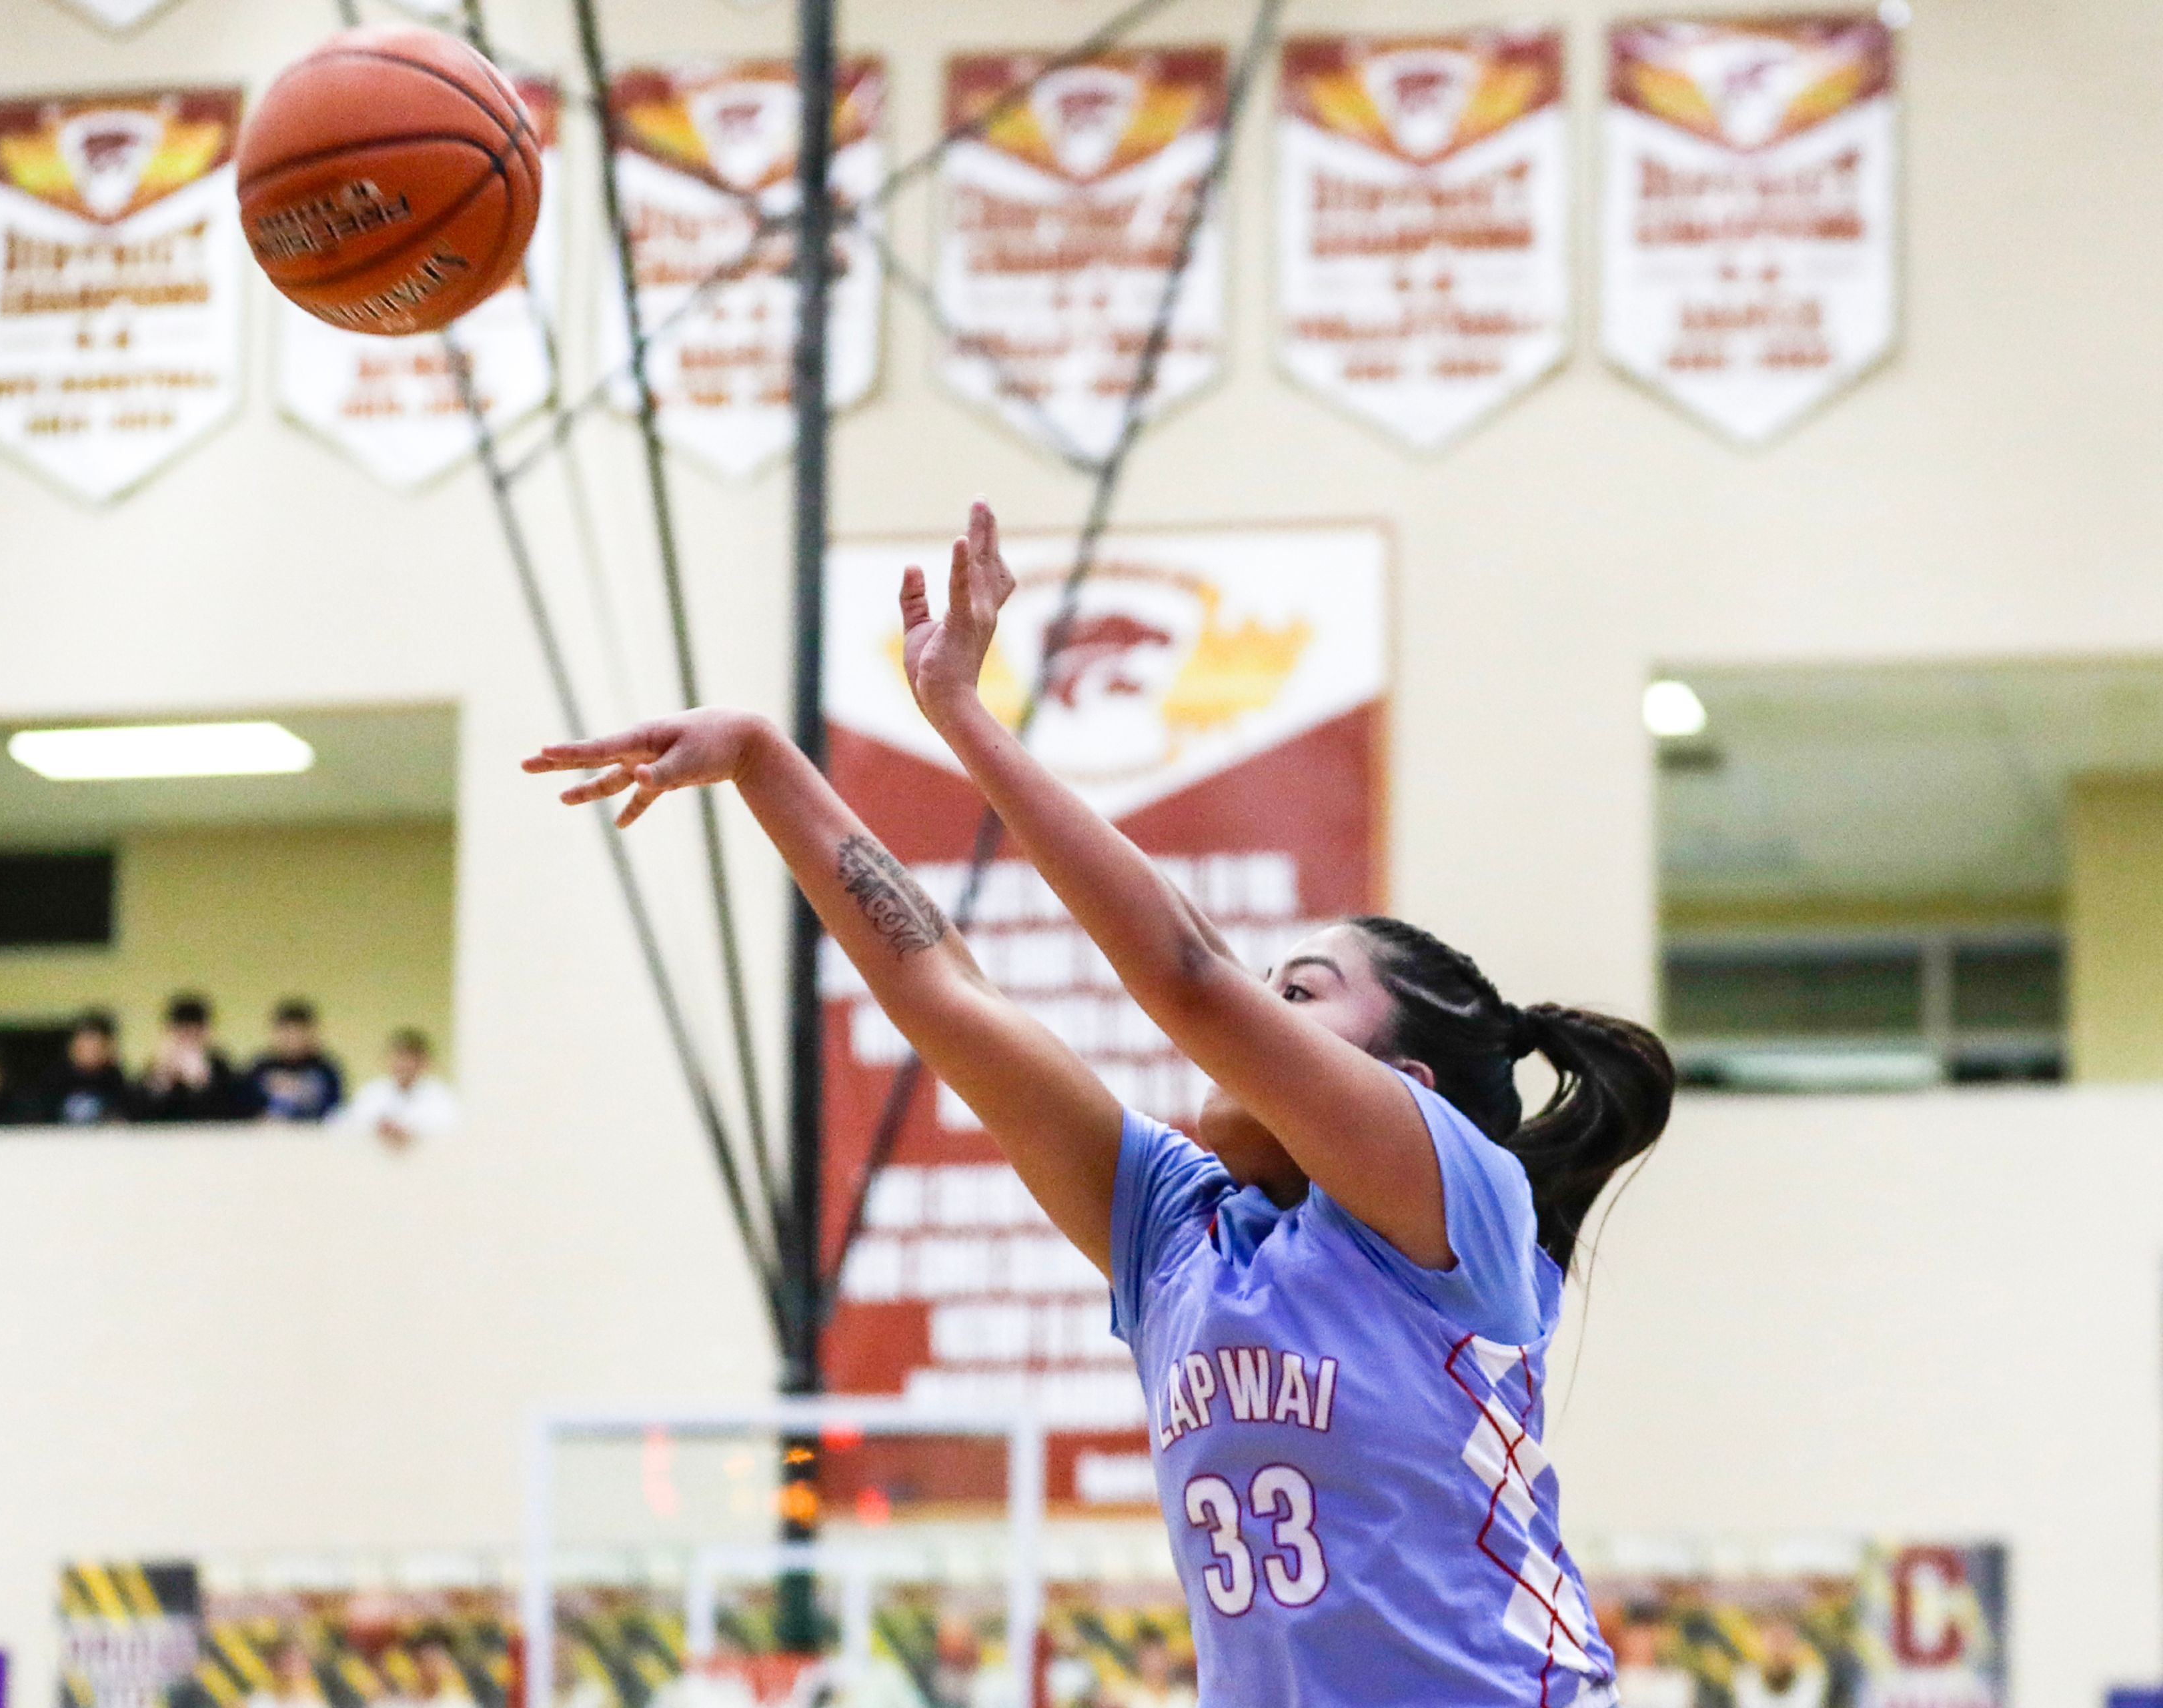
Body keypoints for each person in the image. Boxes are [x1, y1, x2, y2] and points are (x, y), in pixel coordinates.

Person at [526, 502, 1674, 1708]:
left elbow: (1186, 975)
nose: (1262, 1017)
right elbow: (944, 991)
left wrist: (963, 720)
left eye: (1302, 995)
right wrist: (768, 762)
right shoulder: (1178, 1231)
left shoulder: (1457, 1205)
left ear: (1406, 1091)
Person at [133, 993, 261, 1123]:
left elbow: (237, 1115)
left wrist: (201, 1085)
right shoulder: (154, 1069)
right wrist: (161, 1081)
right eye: (182, 1034)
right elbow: (137, 1116)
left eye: (195, 1035)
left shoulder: (220, 1067)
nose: (189, 1042)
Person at [334, 1028, 460, 1147]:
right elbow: (349, 1124)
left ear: (425, 1061)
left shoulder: (440, 1096)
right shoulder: (372, 1092)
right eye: (399, 1057)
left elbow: (450, 1128)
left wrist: (410, 1131)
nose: (404, 1064)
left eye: (410, 1058)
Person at [247, 998, 346, 1122]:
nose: (293, 1039)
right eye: (287, 1032)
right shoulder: (260, 1069)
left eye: (299, 1032)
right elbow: (245, 1111)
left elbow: (336, 1111)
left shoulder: (327, 1070)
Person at [43, 1010, 132, 1126]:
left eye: (96, 1045)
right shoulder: (54, 1080)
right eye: (84, 1044)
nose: (90, 1051)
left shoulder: (116, 1082)